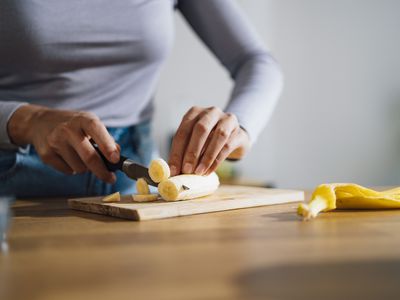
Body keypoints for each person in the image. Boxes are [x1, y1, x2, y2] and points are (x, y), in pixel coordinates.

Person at [0, 0, 283, 197]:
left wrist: (242, 125)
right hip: (13, 175)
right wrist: (27, 120)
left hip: (132, 177)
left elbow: (256, 62)